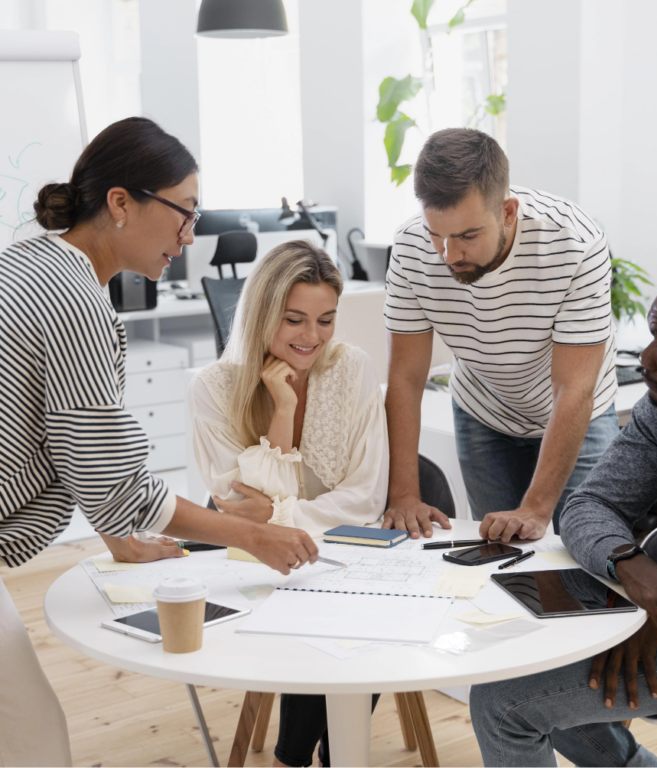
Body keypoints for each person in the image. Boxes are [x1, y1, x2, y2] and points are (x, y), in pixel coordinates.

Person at [0, 117, 317, 767]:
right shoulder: (75, 301)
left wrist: (117, 533)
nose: (190, 234)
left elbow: (74, 445)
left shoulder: (31, 259)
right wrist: (252, 536)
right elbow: (114, 478)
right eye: (184, 212)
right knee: (32, 743)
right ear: (120, 203)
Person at [469, 259, 657, 768]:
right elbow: (589, 504)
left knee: (505, 705)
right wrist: (631, 566)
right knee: (511, 664)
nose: (645, 358)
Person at [187, 240, 388, 768]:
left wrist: (279, 517)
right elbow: (238, 508)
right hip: (256, 561)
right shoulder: (212, 389)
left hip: (346, 552)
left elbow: (366, 497)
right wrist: (282, 409)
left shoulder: (354, 368)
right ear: (261, 313)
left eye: (326, 320)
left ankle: (309, 758)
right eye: (294, 319)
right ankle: (309, 757)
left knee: (355, 606)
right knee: (317, 603)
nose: (312, 337)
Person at [383, 127, 619, 542]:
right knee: (497, 552)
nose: (449, 255)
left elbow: (573, 388)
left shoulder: (574, 243)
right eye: (437, 234)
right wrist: (403, 495)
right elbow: (405, 378)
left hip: (577, 411)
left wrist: (536, 509)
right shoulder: (410, 247)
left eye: (467, 236)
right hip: (484, 410)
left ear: (508, 212)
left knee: (587, 547)